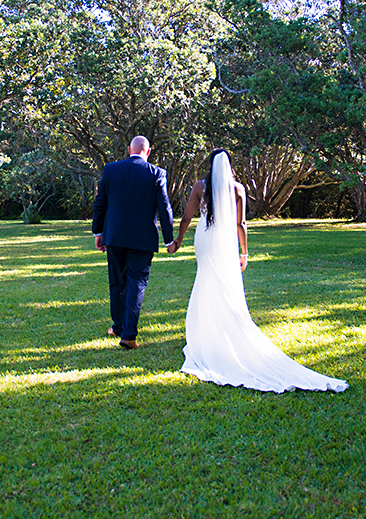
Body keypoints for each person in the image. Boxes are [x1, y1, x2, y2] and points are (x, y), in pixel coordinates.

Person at [168, 149, 347, 392]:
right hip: (225, 243)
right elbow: (240, 223)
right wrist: (244, 252)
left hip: (205, 240)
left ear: (210, 166)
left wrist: (178, 240)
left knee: (206, 281)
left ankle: (206, 332)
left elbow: (187, 218)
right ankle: (219, 328)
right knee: (225, 285)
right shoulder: (237, 189)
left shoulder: (201, 186)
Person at [91, 135, 175, 350]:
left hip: (115, 235)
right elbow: (164, 206)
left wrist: (99, 232)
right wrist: (169, 239)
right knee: (137, 282)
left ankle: (118, 327)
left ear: (129, 149)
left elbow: (100, 202)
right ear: (148, 151)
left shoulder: (111, 169)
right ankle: (128, 335)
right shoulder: (157, 173)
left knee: (117, 282)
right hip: (143, 237)